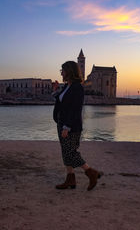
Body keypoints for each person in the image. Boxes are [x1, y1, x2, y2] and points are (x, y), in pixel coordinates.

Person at [52, 61, 102, 191]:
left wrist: (67, 127)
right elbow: (62, 102)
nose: (61, 72)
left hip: (71, 125)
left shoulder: (77, 87)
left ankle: (91, 173)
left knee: (71, 152)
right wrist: (56, 91)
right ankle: (70, 179)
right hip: (61, 122)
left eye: (62, 70)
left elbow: (75, 109)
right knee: (65, 151)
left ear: (69, 71)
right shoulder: (66, 86)